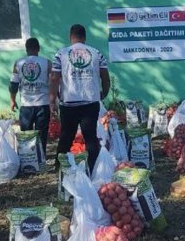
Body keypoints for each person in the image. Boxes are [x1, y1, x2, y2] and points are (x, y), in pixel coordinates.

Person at [50, 24, 110, 174]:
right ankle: (94, 168)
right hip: (90, 102)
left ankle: (60, 168)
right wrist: (105, 92)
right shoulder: (96, 53)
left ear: (71, 37)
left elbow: (54, 78)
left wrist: (52, 99)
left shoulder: (61, 54)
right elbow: (105, 76)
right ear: (84, 37)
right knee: (90, 137)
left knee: (66, 137)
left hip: (68, 103)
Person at [9, 37, 50, 156]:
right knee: (42, 133)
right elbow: (54, 82)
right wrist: (55, 101)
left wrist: (12, 100)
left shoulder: (19, 63)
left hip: (26, 105)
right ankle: (41, 156)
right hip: (43, 103)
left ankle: (27, 156)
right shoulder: (47, 63)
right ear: (38, 49)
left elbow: (13, 84)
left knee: (26, 133)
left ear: (26, 49)